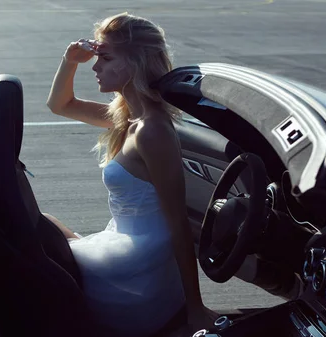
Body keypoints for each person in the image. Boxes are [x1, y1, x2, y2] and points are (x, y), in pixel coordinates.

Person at [45, 12, 217, 337]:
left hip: (137, 268)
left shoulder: (152, 132)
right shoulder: (127, 119)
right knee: (38, 223)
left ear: (136, 62)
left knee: (35, 235)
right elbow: (60, 104)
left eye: (106, 58)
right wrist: (70, 60)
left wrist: (194, 307)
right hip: (125, 246)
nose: (95, 67)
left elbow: (178, 223)